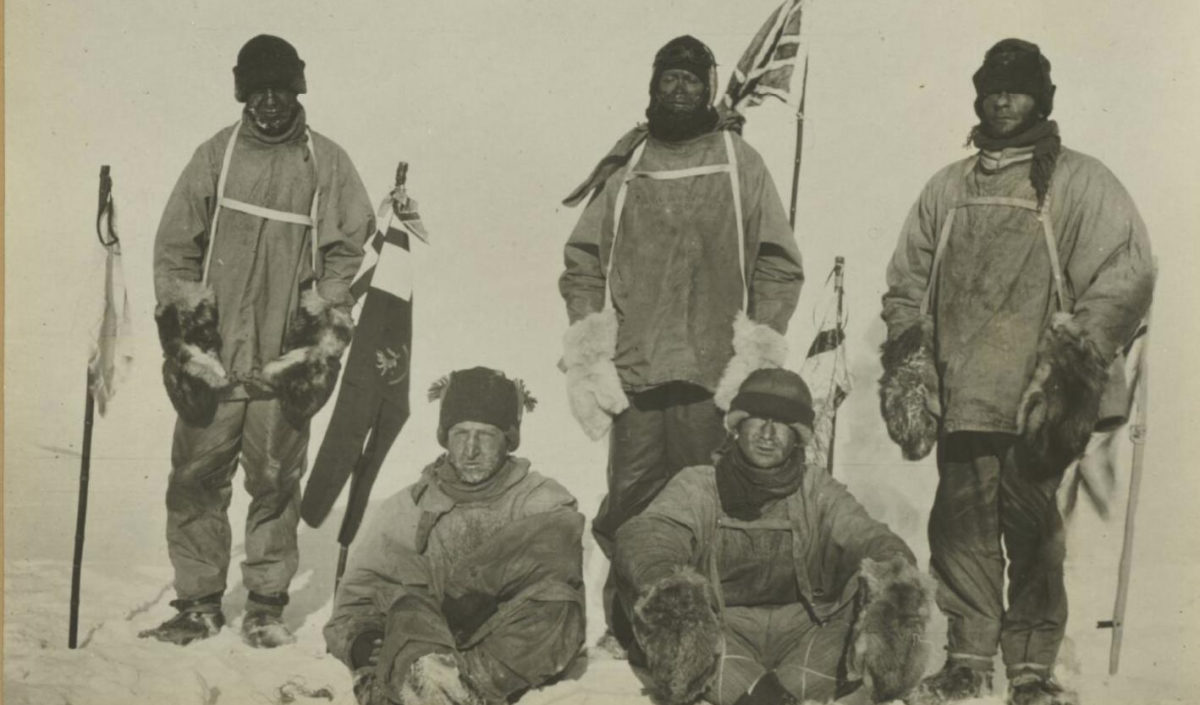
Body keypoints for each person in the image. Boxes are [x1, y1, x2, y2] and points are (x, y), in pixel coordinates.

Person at [879, 39, 1155, 705]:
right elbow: (907, 285)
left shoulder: (1079, 181)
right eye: (994, 88)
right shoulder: (948, 187)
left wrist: (1075, 357)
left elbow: (1127, 270)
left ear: (1041, 98)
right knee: (960, 530)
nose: (1004, 100)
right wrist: (912, 359)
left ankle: (1030, 668)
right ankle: (969, 659)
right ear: (980, 97)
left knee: (1032, 535)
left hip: (1036, 402)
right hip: (962, 394)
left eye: (1018, 88)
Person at [558, 34, 804, 652]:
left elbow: (777, 260)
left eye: (691, 80)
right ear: (652, 86)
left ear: (709, 88)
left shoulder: (737, 159)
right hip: (637, 369)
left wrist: (760, 344)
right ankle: (633, 624)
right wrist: (590, 337)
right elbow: (584, 259)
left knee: (708, 498)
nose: (678, 89)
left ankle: (705, 621)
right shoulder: (630, 165)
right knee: (633, 501)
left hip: (711, 371)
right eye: (668, 78)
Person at [142, 34, 374, 647]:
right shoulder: (216, 156)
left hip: (280, 362)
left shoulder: (326, 163)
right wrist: (188, 333)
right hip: (214, 360)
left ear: (297, 90)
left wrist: (319, 323)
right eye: (258, 91)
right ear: (244, 94)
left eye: (281, 90)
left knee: (274, 481)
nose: (270, 103)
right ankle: (198, 602)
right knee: (195, 479)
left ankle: (267, 603)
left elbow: (348, 248)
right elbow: (175, 247)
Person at [614, 368, 931, 705]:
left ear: (798, 436)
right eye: (757, 419)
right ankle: (759, 694)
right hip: (723, 632)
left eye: (782, 424)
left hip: (805, 634)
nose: (767, 434)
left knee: (867, 596)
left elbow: (867, 534)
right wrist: (666, 585)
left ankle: (776, 693)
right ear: (737, 426)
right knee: (677, 618)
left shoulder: (816, 488)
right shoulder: (698, 484)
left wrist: (895, 579)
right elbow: (650, 534)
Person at [325, 367, 586, 705]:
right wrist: (362, 642)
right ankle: (430, 683)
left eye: (486, 435)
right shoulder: (409, 507)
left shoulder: (541, 500)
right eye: (460, 434)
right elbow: (356, 601)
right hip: (427, 638)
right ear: (445, 438)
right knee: (408, 607)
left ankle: (449, 689)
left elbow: (556, 577)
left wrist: (469, 590)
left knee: (558, 607)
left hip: (502, 648)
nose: (471, 449)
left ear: (509, 439)